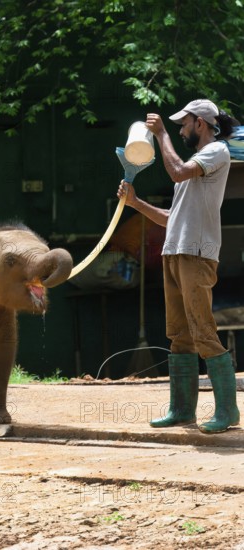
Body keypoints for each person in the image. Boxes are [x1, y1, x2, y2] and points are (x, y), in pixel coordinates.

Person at [117, 99, 240, 434]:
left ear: (200, 123)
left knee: (203, 331)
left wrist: (159, 135)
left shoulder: (216, 152)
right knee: (179, 335)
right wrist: (135, 202)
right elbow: (173, 218)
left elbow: (175, 170)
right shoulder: (193, 166)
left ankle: (228, 412)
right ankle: (182, 410)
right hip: (175, 251)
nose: (179, 129)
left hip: (196, 254)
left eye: (183, 123)